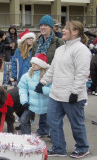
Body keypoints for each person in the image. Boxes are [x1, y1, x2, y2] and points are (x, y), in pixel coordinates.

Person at [35, 20, 90, 158]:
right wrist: (42, 82)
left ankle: (82, 148)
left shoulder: (81, 50)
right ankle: (59, 148)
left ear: (75, 32)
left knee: (76, 124)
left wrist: (75, 92)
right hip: (55, 94)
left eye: (66, 28)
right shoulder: (60, 50)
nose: (62, 30)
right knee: (53, 122)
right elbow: (52, 70)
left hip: (72, 95)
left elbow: (82, 74)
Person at [18, 53, 51, 135]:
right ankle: (26, 137)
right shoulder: (26, 76)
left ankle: (46, 133)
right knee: (23, 120)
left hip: (46, 104)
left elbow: (54, 89)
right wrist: (24, 101)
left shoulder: (49, 76)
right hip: (32, 104)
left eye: (36, 63)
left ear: (42, 65)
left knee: (49, 121)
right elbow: (22, 89)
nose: (33, 65)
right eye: (32, 63)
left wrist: (43, 90)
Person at [2, 25, 18, 89]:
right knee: (6, 70)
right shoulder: (6, 36)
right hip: (8, 55)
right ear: (9, 29)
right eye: (11, 29)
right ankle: (4, 83)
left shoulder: (17, 37)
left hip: (15, 55)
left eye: (14, 29)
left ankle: (12, 82)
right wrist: (9, 45)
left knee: (13, 69)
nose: (12, 30)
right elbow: (3, 45)